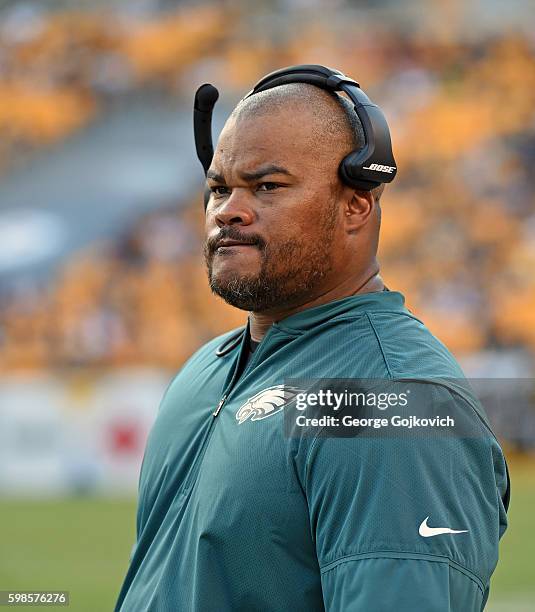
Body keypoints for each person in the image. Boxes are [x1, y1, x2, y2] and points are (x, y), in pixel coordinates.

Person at [115, 70, 509, 611]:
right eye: (219, 188)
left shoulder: (386, 398)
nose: (228, 209)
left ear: (356, 206)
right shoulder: (206, 367)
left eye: (267, 186)